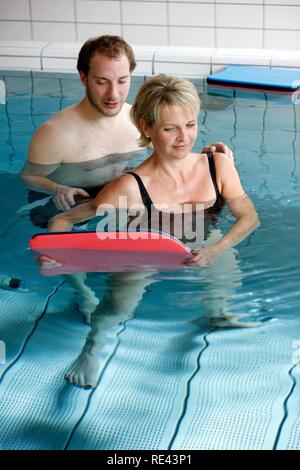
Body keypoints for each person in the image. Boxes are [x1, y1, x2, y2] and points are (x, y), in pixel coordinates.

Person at [44, 74, 260, 389]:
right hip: (144, 246)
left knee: (226, 264)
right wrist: (56, 253)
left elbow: (249, 216)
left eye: (189, 124)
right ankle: (92, 347)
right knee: (118, 305)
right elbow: (66, 220)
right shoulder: (129, 187)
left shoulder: (218, 166)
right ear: (147, 128)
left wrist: (217, 249)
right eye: (170, 128)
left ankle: (217, 313)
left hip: (202, 237)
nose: (183, 138)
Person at [20, 35, 232, 321]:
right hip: (73, 199)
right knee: (58, 237)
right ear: (83, 78)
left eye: (122, 80)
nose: (114, 94)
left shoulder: (138, 118)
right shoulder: (55, 133)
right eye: (102, 81)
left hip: (124, 198)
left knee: (199, 226)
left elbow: (170, 150)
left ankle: (215, 309)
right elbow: (29, 177)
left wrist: (207, 160)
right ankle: (82, 292)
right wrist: (57, 187)